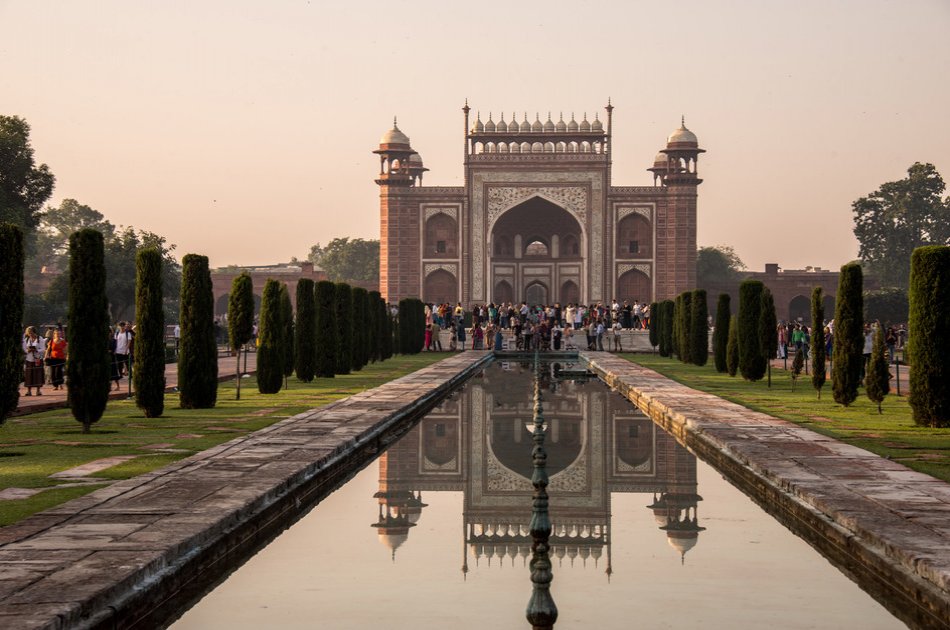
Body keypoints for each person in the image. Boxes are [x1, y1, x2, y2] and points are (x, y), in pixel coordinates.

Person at [22, 326, 46, 396]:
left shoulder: (40, 338)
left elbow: (43, 349)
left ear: (34, 332)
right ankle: (29, 391)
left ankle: (38, 391)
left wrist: (36, 350)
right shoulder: (26, 339)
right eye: (29, 333)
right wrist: (28, 350)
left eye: (31, 333)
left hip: (37, 359)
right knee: (29, 375)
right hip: (29, 359)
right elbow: (24, 349)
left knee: (38, 375)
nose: (30, 334)